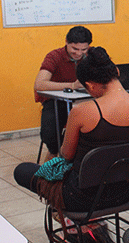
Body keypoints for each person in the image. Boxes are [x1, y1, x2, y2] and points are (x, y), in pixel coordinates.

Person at [15, 46, 129, 212]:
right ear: (117, 72)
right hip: (123, 193)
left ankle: (70, 222)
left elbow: (67, 155)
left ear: (90, 86)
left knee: (23, 170)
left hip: (81, 198)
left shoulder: (81, 112)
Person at [34, 26, 93, 161]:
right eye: (74, 49)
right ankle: (55, 154)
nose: (79, 54)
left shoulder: (91, 54)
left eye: (83, 49)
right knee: (50, 130)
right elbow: (39, 84)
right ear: (66, 42)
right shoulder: (54, 56)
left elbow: (112, 72)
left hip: (84, 100)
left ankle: (87, 156)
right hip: (57, 102)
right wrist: (72, 86)